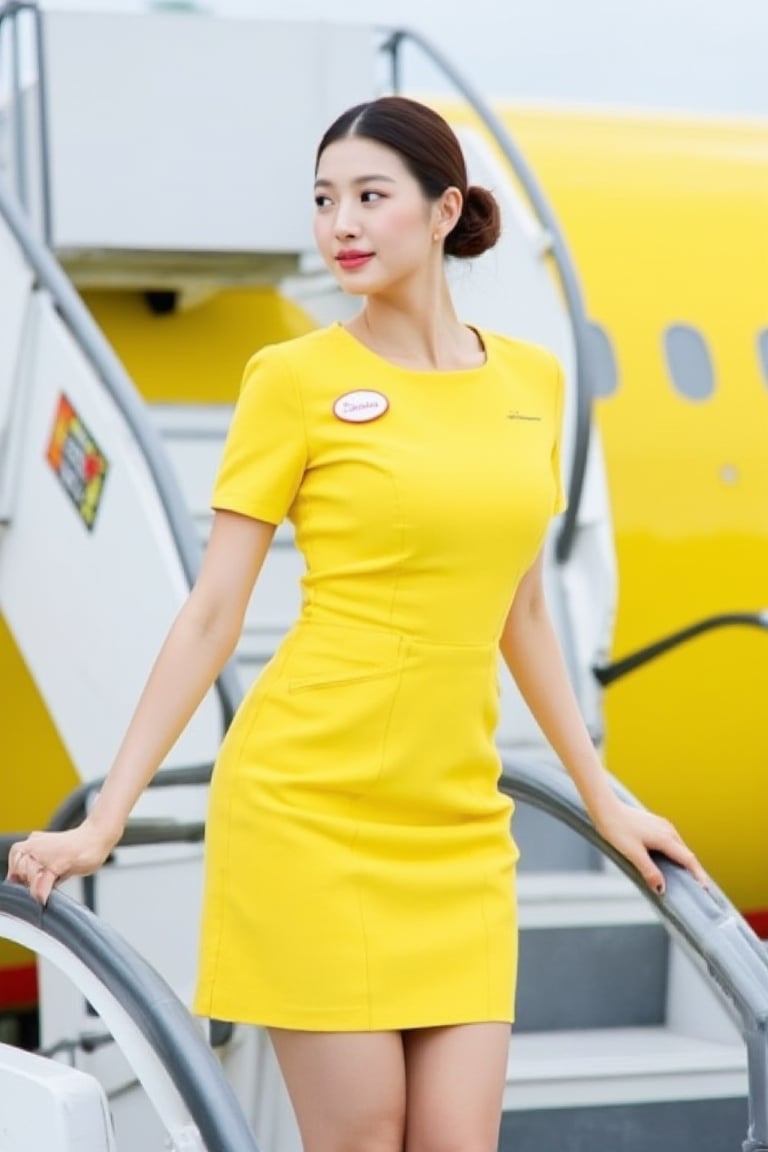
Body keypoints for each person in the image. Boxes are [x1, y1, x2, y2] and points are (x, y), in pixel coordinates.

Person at [8, 96, 706, 1152]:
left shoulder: (532, 381)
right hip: (308, 810)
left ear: (443, 211)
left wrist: (604, 800)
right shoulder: (291, 382)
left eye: (371, 197)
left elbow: (520, 607)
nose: (342, 222)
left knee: (460, 1142)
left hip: (459, 827)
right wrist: (107, 817)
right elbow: (210, 615)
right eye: (326, 199)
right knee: (364, 1138)